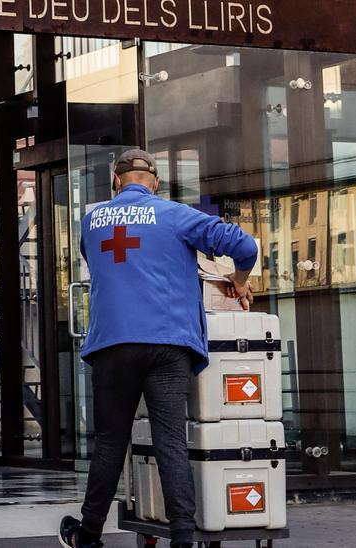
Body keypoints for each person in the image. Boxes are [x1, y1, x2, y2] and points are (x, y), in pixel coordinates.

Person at [59, 150, 258, 548]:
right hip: (168, 343)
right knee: (171, 440)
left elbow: (99, 263)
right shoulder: (174, 215)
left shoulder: (91, 222)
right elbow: (245, 246)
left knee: (111, 442)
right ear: (155, 183)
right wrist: (238, 279)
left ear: (116, 182)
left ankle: (89, 534)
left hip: (113, 345)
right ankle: (183, 537)